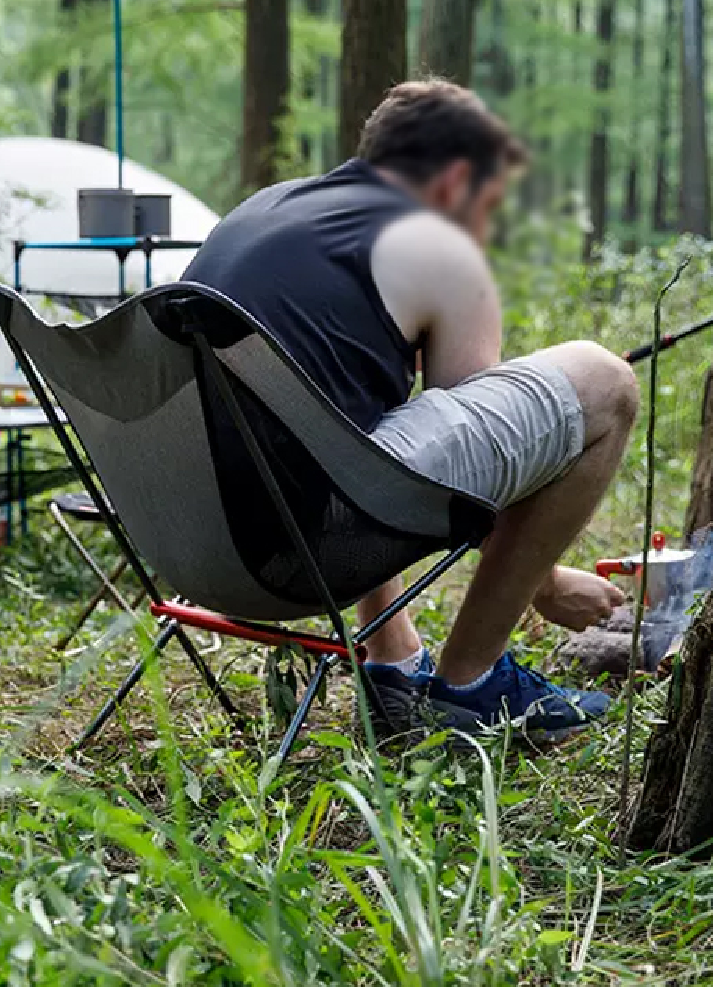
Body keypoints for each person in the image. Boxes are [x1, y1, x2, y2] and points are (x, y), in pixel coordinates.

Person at [182, 79, 635, 741]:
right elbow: (483, 473)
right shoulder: (435, 244)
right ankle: (472, 684)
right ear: (454, 178)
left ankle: (391, 660)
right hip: (300, 549)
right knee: (605, 381)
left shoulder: (262, 210)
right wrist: (546, 583)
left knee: (356, 419)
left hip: (195, 546)